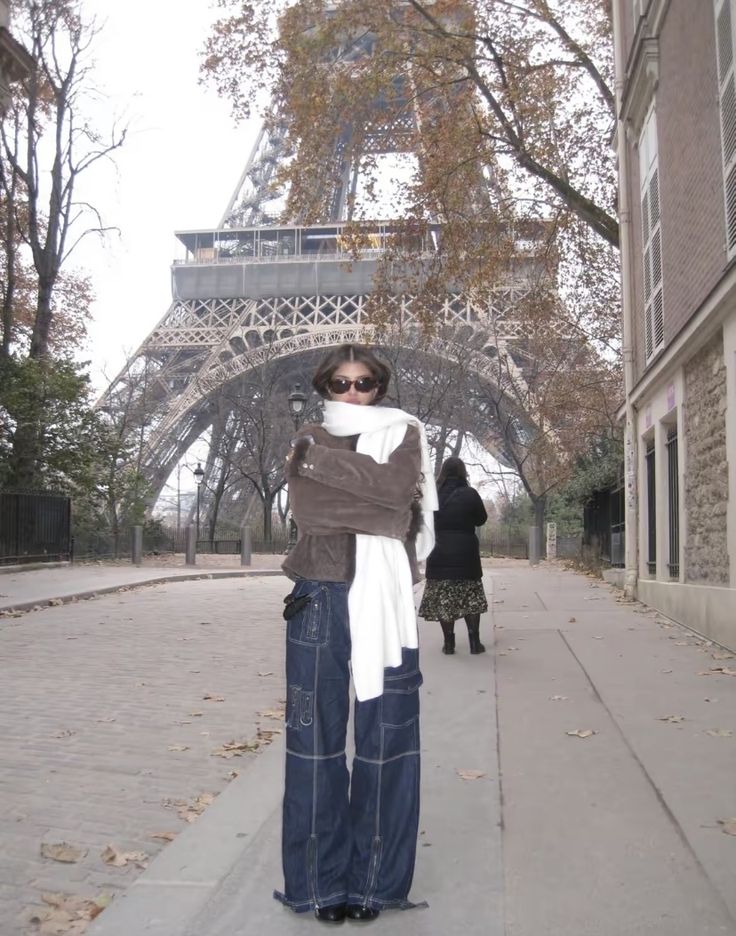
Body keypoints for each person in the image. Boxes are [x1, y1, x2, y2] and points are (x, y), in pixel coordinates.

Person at [275, 343, 438, 924]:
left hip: (385, 604)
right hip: (318, 596)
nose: (353, 393)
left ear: (380, 387)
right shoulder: (307, 436)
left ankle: (374, 882)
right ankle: (320, 885)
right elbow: (314, 516)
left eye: (364, 383)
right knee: (313, 745)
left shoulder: (404, 433)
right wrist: (374, 500)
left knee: (387, 743)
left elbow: (398, 499)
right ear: (324, 386)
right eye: (341, 383)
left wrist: (331, 475)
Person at [418, 456, 488, 655]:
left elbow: (423, 520)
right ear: (463, 472)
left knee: (444, 599)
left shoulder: (433, 495)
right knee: (470, 597)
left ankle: (449, 644)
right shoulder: (471, 494)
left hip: (439, 551)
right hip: (466, 553)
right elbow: (481, 519)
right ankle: (475, 642)